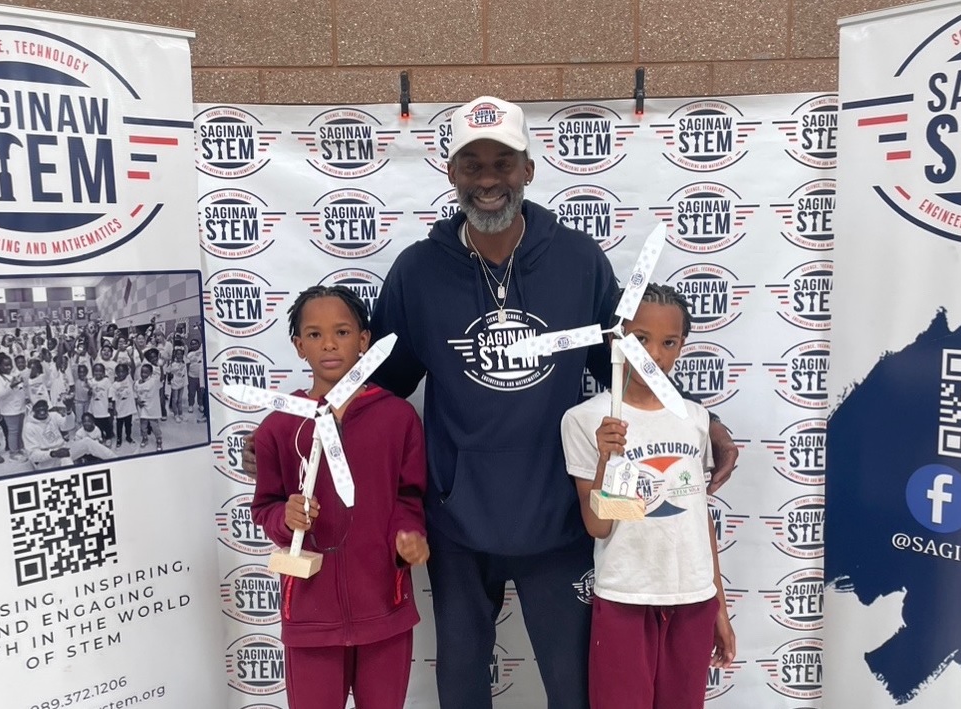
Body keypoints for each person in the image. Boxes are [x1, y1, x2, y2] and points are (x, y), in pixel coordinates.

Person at [243, 95, 739, 709]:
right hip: (458, 522)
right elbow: (376, 385)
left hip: (558, 516)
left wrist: (705, 420)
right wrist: (287, 437)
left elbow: (623, 363)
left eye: (502, 162)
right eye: (471, 164)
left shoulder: (578, 261)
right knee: (461, 687)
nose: (487, 180)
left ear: (528, 169)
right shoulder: (419, 272)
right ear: (451, 171)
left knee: (573, 688)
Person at [250, 285, 429, 709]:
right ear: (298, 346)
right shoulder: (279, 425)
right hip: (309, 617)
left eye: (342, 332)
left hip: (385, 610)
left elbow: (409, 496)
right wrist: (286, 518)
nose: (329, 343)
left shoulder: (398, 417)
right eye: (314, 334)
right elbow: (265, 507)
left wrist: (408, 537)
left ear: (364, 340)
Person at [561, 284, 736, 709]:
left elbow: (698, 517)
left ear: (682, 346)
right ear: (615, 340)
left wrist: (719, 604)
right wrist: (607, 460)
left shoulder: (695, 418)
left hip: (693, 598)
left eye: (668, 342)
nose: (654, 354)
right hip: (625, 596)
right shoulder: (584, 420)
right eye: (640, 339)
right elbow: (599, 525)